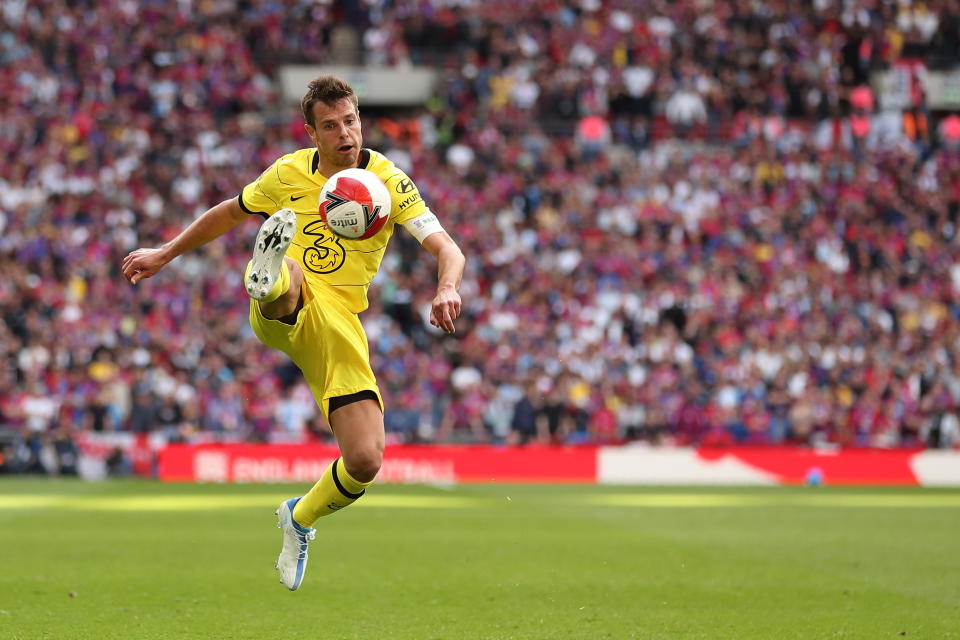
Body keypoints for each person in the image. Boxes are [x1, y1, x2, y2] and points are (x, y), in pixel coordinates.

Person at [121, 75, 466, 590]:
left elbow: (448, 249)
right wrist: (165, 253)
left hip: (339, 326)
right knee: (292, 282)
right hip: (292, 304)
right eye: (330, 125)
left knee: (366, 460)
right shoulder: (287, 174)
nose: (345, 133)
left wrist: (446, 288)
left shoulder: (388, 183)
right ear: (311, 133)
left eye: (350, 120)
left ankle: (298, 518)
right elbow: (228, 212)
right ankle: (269, 273)